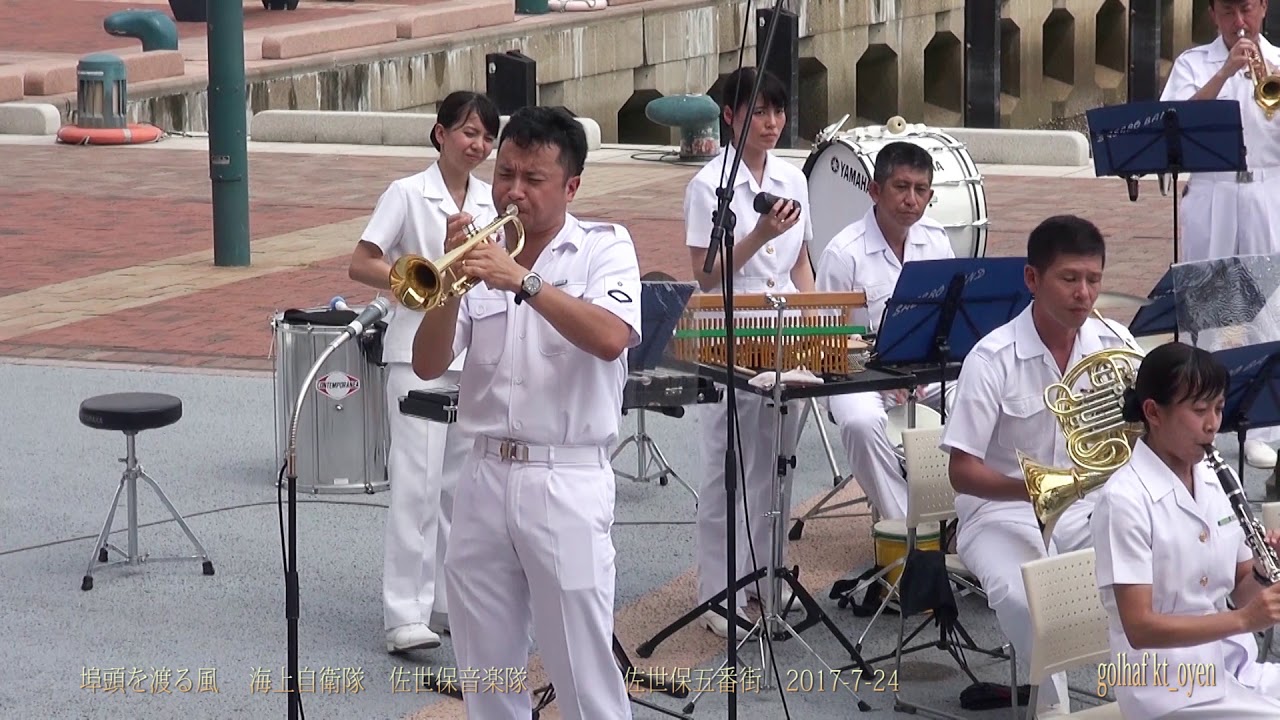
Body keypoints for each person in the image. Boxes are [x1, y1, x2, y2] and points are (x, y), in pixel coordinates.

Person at [411, 105, 640, 720]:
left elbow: (612, 337)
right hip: (484, 473)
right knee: (486, 672)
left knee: (583, 672)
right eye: (504, 173)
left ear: (570, 187)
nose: (512, 191)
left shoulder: (604, 248)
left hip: (563, 476)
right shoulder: (480, 254)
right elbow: (429, 363)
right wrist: (447, 281)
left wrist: (523, 282)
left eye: (532, 179)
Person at [939, 215, 1142, 716]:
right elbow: (961, 471)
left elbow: (1151, 425)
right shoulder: (991, 358)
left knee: (1147, 577)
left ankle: (1146, 698)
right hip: (998, 513)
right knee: (1028, 601)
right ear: (1033, 279)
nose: (1084, 294)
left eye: (1094, 280)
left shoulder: (1115, 342)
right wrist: (1042, 490)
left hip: (1091, 506)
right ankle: (1053, 711)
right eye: (1069, 279)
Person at [347, 90, 500, 654]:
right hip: (414, 348)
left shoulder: (491, 199)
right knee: (416, 482)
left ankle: (449, 602)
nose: (478, 144)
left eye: (486, 136)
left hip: (473, 352)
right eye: (468, 132)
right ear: (440, 134)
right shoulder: (407, 193)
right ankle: (403, 613)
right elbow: (360, 260)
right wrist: (413, 282)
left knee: (461, 488)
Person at [683, 66, 815, 639]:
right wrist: (758, 235)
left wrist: (820, 320)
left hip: (788, 330)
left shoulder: (794, 179)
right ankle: (718, 591)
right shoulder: (709, 185)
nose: (771, 122)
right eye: (758, 111)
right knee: (728, 464)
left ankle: (766, 577)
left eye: (778, 111)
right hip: (733, 329)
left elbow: (802, 262)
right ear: (731, 116)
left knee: (777, 465)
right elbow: (705, 275)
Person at [1092, 341, 1280, 718]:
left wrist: (1261, 574)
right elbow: (1140, 627)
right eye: (1198, 411)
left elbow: (1240, 587)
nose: (1213, 424)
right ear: (1153, 413)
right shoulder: (1125, 500)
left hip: (1231, 665)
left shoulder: (1215, 478)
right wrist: (1245, 620)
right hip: (1165, 685)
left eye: (1219, 408)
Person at [1161, 0, 1280, 470]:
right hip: (1212, 190)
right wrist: (1226, 73)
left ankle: (1265, 428)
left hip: (1268, 192)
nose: (1238, 22)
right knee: (1204, 316)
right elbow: (1173, 124)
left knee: (1269, 313)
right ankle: (1195, 426)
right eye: (1228, 12)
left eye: (1246, 10)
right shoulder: (1194, 63)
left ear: (1263, 9)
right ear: (1213, 14)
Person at [814, 140, 955, 520]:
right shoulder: (843, 253)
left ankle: (962, 517)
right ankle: (906, 528)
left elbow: (951, 320)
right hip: (857, 378)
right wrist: (878, 374)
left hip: (925, 374)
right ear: (875, 190)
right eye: (901, 187)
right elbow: (826, 343)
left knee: (982, 400)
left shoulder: (937, 240)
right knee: (861, 422)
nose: (912, 199)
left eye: (921, 190)